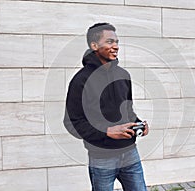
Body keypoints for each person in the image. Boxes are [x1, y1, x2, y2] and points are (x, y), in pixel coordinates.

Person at [64, 22, 149, 191]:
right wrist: (106, 131)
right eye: (110, 42)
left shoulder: (124, 75)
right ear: (94, 45)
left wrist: (138, 123)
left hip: (130, 153)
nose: (116, 46)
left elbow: (127, 111)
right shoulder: (80, 80)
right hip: (101, 158)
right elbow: (72, 122)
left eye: (117, 42)